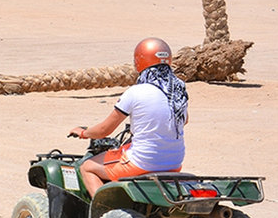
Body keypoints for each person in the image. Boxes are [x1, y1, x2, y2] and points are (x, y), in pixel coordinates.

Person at [68, 38, 189, 198]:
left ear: (140, 62)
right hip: (174, 163)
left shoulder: (136, 92)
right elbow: (184, 120)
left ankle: (105, 211)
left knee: (87, 167)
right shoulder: (178, 88)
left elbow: (104, 130)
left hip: (142, 163)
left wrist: (84, 133)